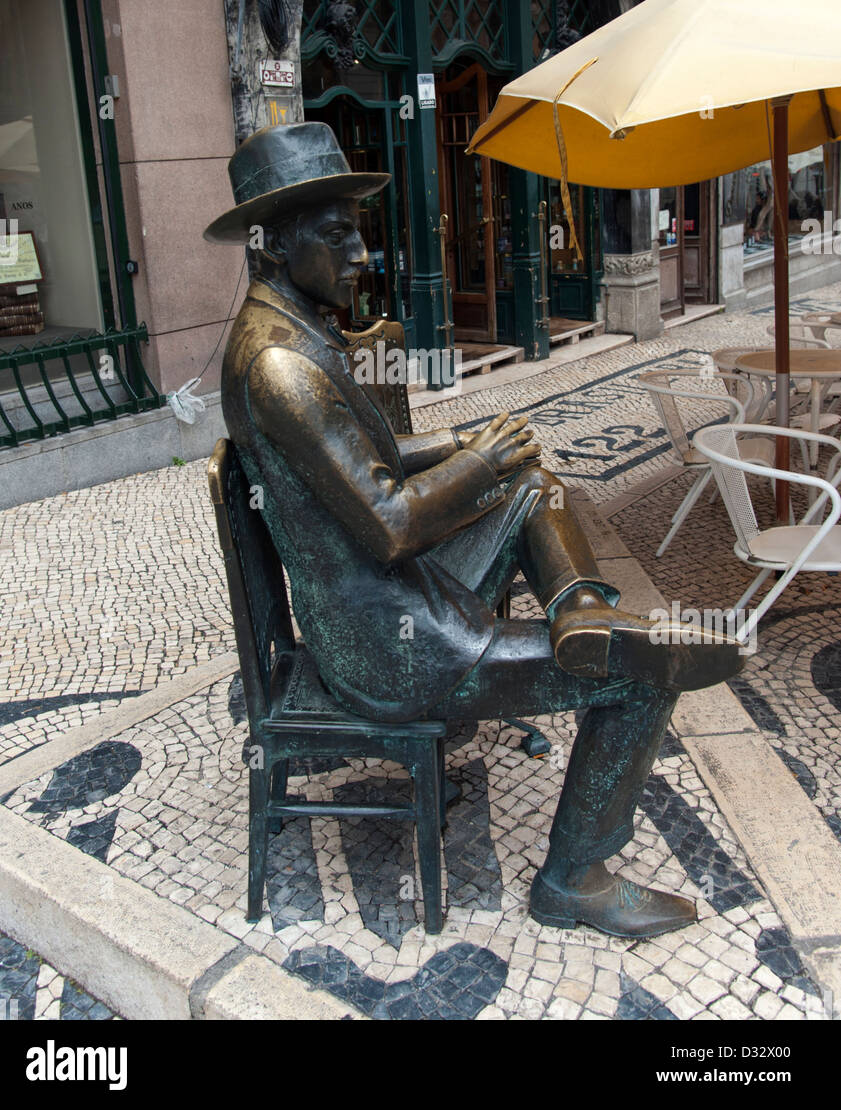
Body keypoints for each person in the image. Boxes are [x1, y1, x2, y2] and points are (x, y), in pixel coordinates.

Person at [206, 122, 744, 940]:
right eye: (336, 234)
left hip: (377, 599)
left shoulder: (291, 328)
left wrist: (469, 447)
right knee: (643, 674)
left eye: (359, 230)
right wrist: (474, 466)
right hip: (388, 642)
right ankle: (575, 878)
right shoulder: (281, 365)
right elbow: (388, 523)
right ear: (273, 246)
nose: (360, 251)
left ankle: (581, 611)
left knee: (528, 480)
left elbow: (371, 458)